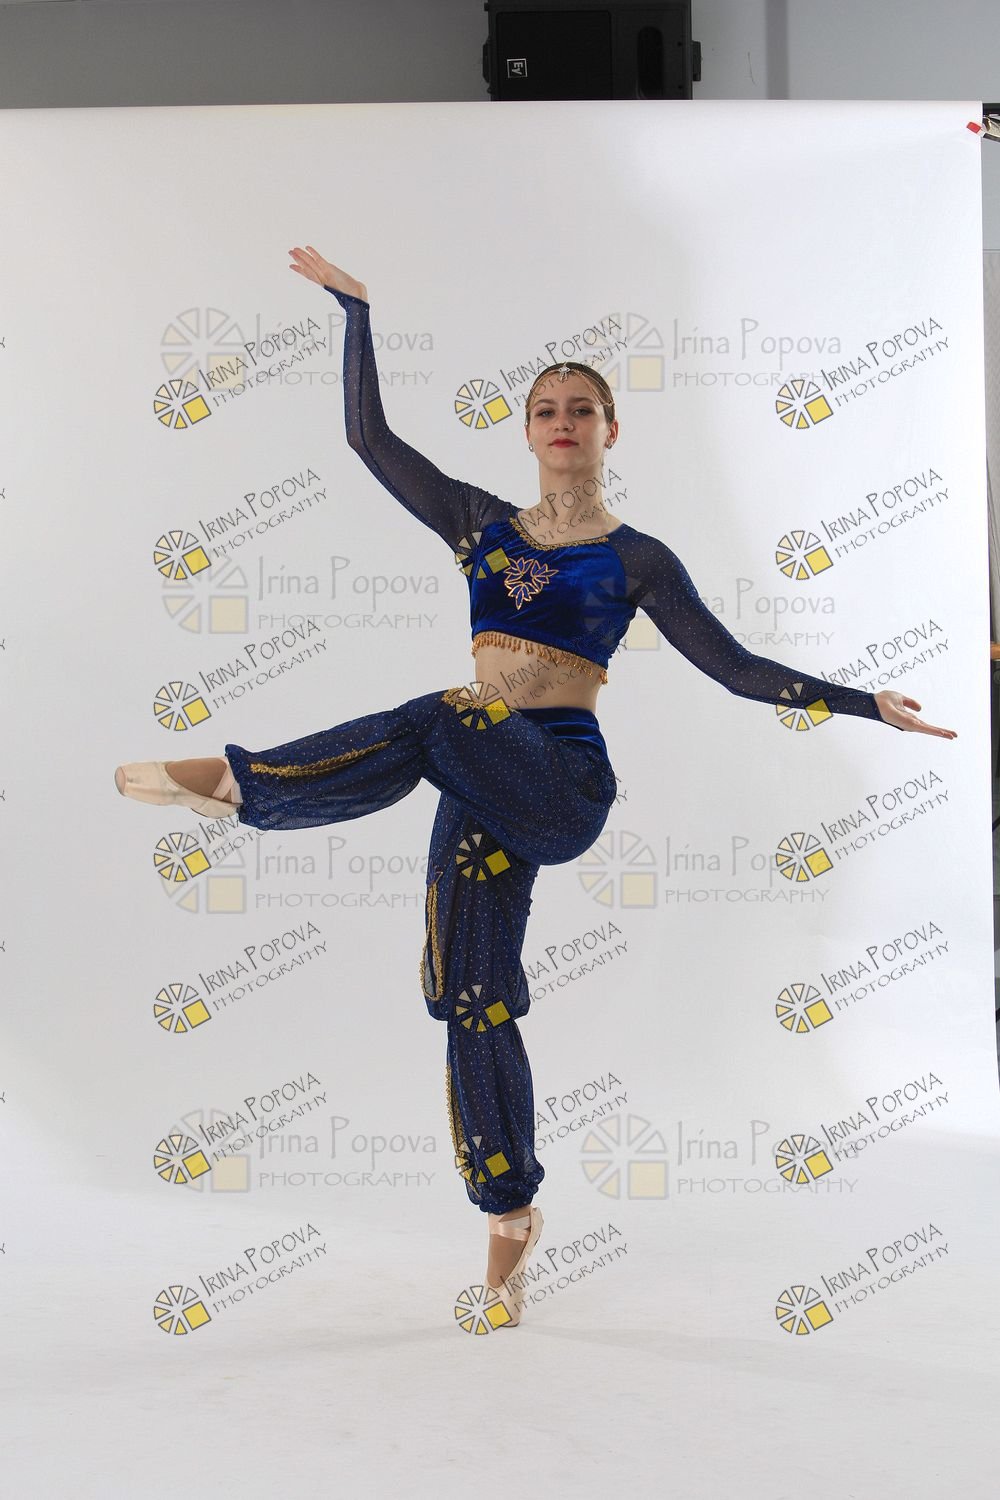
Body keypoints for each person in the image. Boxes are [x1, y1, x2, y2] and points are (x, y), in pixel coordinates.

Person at [115, 245, 957, 1328]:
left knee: (447, 710)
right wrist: (357, 313)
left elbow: (738, 669)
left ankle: (247, 788)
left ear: (610, 431)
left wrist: (861, 702)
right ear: (525, 432)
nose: (564, 421)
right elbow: (369, 439)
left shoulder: (639, 559)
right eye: (546, 409)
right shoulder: (481, 526)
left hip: (559, 777)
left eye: (582, 409)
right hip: (475, 783)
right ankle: (510, 1219)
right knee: (468, 996)